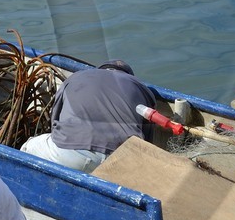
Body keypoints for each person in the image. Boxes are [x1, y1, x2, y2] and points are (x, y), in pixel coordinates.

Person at [24, 60, 162, 173]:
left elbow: (55, 124)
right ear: (129, 76)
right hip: (121, 162)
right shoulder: (142, 89)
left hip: (71, 155)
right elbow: (146, 144)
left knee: (28, 147)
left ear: (100, 70)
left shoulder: (76, 77)